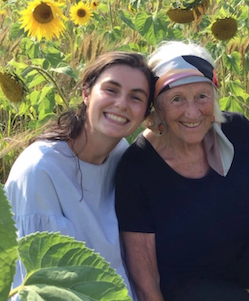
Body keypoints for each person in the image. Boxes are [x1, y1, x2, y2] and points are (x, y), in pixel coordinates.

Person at [115, 41, 249, 301]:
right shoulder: (137, 167)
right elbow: (146, 280)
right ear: (157, 106)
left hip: (245, 250)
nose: (192, 112)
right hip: (186, 281)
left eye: (202, 96)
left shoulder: (236, 130)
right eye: (177, 98)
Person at [4, 51, 154, 301]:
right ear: (86, 93)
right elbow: (38, 285)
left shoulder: (121, 154)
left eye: (136, 97)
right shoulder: (41, 170)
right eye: (111, 90)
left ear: (146, 114)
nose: (121, 104)